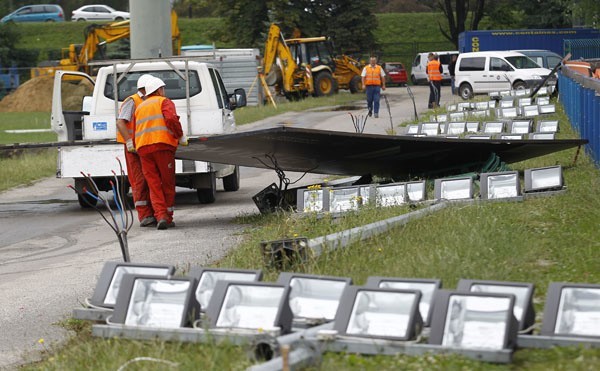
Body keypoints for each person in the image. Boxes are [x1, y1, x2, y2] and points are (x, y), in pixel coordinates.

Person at [134, 77, 187, 230]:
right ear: (158, 90)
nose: (164, 91)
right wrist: (180, 135)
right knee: (167, 182)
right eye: (163, 88)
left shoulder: (140, 107)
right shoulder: (164, 102)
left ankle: (160, 216)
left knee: (153, 184)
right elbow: (171, 118)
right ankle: (167, 217)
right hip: (162, 146)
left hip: (143, 149)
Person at [116, 74, 156, 227]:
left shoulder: (148, 101)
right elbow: (120, 123)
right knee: (139, 181)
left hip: (145, 146)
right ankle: (144, 215)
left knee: (150, 179)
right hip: (134, 148)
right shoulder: (133, 101)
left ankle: (152, 212)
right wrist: (129, 142)